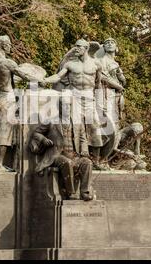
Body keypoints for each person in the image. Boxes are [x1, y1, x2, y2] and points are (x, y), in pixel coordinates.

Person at [42, 39, 108, 170]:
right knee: (73, 128)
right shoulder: (70, 64)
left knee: (94, 127)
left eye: (79, 47)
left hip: (89, 99)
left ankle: (96, 160)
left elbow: (98, 84)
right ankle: (72, 156)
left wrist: (101, 102)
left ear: (86, 48)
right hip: (74, 98)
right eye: (75, 46)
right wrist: (44, 80)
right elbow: (57, 77)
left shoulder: (96, 64)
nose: (76, 48)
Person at [0, 35, 35, 171]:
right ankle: (0, 165)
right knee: (4, 133)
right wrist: (42, 79)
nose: (10, 47)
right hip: (7, 99)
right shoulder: (8, 63)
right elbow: (26, 77)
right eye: (8, 44)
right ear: (3, 45)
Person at [29, 119, 94, 201]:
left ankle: (85, 192)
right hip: (56, 155)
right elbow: (36, 133)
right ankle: (71, 193)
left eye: (68, 106)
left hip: (74, 155)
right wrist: (43, 139)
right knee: (67, 162)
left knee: (87, 162)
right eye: (64, 106)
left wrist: (84, 151)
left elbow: (83, 139)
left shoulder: (78, 122)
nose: (66, 107)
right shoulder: (51, 121)